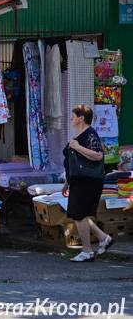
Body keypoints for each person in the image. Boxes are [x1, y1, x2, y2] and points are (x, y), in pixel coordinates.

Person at [63, 104, 113, 262]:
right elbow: (73, 163)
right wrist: (67, 182)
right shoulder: (80, 135)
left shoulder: (90, 134)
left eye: (73, 116)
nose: (71, 119)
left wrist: (77, 147)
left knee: (79, 215)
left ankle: (87, 251)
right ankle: (103, 238)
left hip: (88, 181)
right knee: (79, 214)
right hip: (77, 180)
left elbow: (98, 156)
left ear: (81, 118)